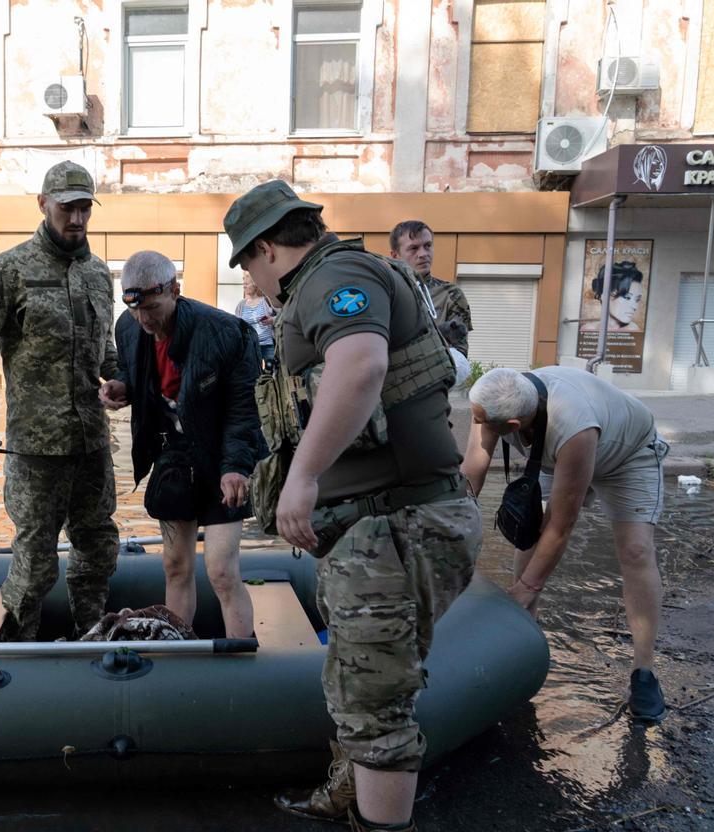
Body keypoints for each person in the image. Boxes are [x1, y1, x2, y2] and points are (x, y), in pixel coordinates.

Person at [226, 181, 480, 831]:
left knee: (375, 705)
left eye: (249, 267)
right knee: (361, 683)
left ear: (265, 250)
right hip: (386, 526)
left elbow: (361, 366)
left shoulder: (331, 277)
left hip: (397, 526)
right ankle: (350, 791)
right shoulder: (337, 276)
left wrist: (303, 478)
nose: (255, 283)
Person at [0, 160, 121, 641]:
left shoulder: (99, 274)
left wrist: (119, 379)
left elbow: (104, 347)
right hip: (35, 451)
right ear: (43, 204)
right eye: (67, 208)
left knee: (99, 546)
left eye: (85, 207)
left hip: (91, 445)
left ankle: (92, 634)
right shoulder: (10, 269)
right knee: (35, 559)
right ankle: (20, 649)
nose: (78, 218)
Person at [461, 366, 668, 722]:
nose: (475, 422)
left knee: (635, 550)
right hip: (555, 453)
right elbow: (473, 469)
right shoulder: (495, 397)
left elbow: (561, 525)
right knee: (529, 530)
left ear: (512, 427)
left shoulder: (573, 425)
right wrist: (451, 536)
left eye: (480, 421)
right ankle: (523, 644)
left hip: (627, 456)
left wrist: (524, 589)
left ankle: (644, 673)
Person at [100, 251, 262, 638]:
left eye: (153, 308)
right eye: (137, 311)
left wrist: (236, 467)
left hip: (223, 453)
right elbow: (136, 374)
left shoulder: (229, 333)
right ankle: (178, 649)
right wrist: (122, 387)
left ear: (175, 290)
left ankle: (243, 656)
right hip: (173, 455)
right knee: (175, 565)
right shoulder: (128, 327)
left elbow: (245, 410)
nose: (145, 320)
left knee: (222, 570)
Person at [389, 220, 474, 358]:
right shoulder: (385, 294)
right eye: (413, 248)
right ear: (394, 256)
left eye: (428, 246)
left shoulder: (451, 294)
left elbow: (459, 357)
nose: (423, 254)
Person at [581, 261, 645, 332]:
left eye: (637, 300)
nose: (634, 307)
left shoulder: (632, 330)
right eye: (627, 298)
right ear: (605, 297)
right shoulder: (588, 329)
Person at [234, 272, 276, 364]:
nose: (244, 284)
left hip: (267, 345)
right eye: (243, 281)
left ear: (255, 283)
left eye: (247, 281)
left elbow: (282, 315)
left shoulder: (266, 300)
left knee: (272, 372)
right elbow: (237, 326)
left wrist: (272, 320)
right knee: (255, 375)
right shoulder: (241, 305)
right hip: (250, 347)